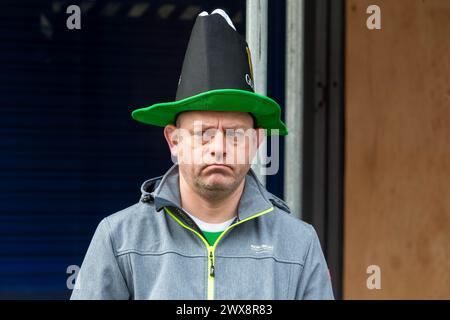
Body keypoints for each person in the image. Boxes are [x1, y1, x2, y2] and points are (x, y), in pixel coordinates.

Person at [71, 9, 334, 300]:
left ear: (257, 142)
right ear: (174, 141)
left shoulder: (298, 246)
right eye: (203, 132)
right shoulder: (119, 240)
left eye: (235, 134)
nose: (219, 147)